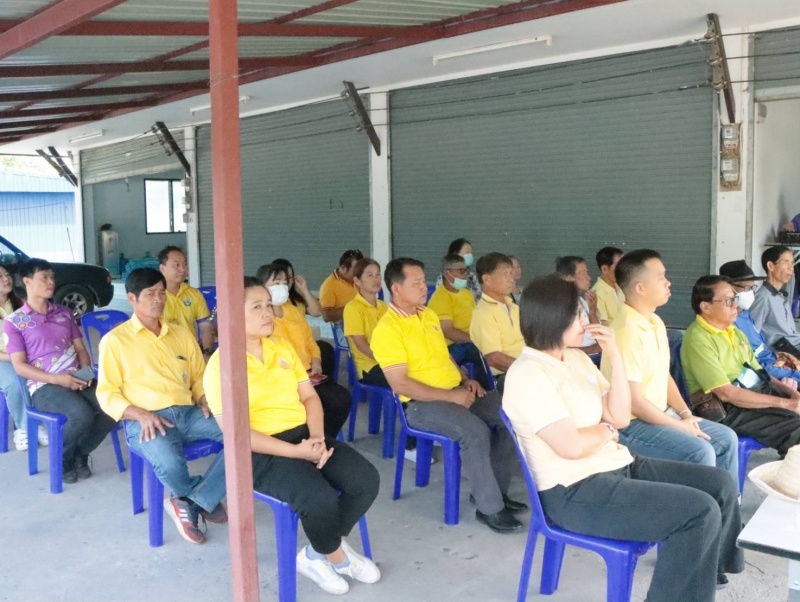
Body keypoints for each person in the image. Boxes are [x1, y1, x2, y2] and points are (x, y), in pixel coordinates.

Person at [503, 276, 744, 601]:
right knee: (698, 512)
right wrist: (605, 432)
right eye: (577, 314)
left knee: (720, 484)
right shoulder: (528, 374)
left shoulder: (575, 358)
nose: (586, 320)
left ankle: (708, 570)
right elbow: (571, 446)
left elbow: (618, 417)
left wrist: (615, 357)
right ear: (553, 317)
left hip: (616, 464)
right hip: (573, 491)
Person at [204, 278, 380, 596]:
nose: (267, 312)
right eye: (256, 307)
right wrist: (299, 452)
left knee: (365, 480)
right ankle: (337, 557)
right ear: (232, 315)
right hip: (261, 451)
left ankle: (316, 553)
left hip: (304, 435)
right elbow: (237, 434)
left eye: (267, 305)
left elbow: (310, 398)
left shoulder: (281, 347)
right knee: (318, 498)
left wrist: (317, 439)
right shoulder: (221, 366)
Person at [371, 257, 527, 533]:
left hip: (456, 391)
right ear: (396, 288)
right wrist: (450, 396)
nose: (424, 286)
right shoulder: (387, 329)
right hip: (422, 405)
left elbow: (444, 357)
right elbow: (401, 385)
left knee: (513, 415)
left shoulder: (427, 315)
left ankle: (491, 492)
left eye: (423, 280)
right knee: (475, 432)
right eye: (416, 282)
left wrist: (465, 380)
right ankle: (489, 508)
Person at [97, 268, 227, 544]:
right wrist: (138, 414)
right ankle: (200, 496)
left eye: (161, 293)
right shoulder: (115, 341)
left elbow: (198, 377)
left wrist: (204, 398)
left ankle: (194, 500)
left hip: (189, 413)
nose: (158, 299)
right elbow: (106, 393)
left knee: (244, 438)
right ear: (132, 298)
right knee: (169, 463)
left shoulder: (181, 334)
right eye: (150, 294)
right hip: (146, 419)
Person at [601, 250, 738, 486]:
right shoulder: (625, 331)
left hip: (658, 414)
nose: (668, 283)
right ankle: (700, 507)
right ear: (640, 288)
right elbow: (634, 403)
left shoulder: (654, 322)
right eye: (661, 277)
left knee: (727, 438)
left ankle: (727, 505)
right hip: (630, 424)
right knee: (699, 451)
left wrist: (686, 414)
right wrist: (679, 426)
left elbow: (663, 376)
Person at [3, 258, 116, 483]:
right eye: (44, 277)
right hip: (44, 386)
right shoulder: (15, 322)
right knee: (81, 415)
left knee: (113, 407)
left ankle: (79, 453)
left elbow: (80, 348)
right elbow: (19, 366)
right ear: (27, 281)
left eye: (52, 277)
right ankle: (63, 457)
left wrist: (86, 372)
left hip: (77, 378)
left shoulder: (64, 313)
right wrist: (59, 380)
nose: (51, 282)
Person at [681, 275, 800, 456]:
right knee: (796, 428)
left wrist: (792, 394)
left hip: (755, 392)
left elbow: (761, 373)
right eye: (729, 301)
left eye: (735, 299)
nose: (736, 306)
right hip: (728, 408)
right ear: (706, 307)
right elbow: (726, 393)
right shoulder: (698, 339)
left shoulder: (734, 331)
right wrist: (786, 404)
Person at [257, 263, 352, 439]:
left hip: (308, 373)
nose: (282, 287)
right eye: (276, 283)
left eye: (284, 283)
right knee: (308, 408)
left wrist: (316, 361)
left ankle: (323, 439)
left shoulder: (292, 310)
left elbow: (309, 340)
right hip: (284, 378)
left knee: (342, 399)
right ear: (262, 287)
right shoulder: (261, 318)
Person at [720, 260, 800, 386]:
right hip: (762, 374)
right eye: (747, 288)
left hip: (772, 362)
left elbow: (761, 346)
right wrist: (792, 374)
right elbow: (753, 364)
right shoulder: (727, 323)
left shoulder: (745, 313)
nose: (751, 293)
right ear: (728, 289)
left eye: (753, 288)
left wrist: (779, 359)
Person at [427, 254, 491, 390]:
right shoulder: (440, 298)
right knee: (482, 353)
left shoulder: (466, 293)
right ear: (447, 274)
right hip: (452, 346)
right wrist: (474, 339)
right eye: (461, 271)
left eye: (466, 270)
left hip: (468, 340)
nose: (465, 275)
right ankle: (489, 390)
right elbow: (448, 331)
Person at [469, 252, 525, 393]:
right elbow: (494, 358)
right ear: (487, 279)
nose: (511, 279)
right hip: (505, 376)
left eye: (511, 274)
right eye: (506, 274)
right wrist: (528, 369)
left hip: (524, 367)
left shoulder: (514, 308)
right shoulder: (483, 314)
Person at [158, 246, 215, 361]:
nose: (183, 269)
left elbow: (206, 327)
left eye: (185, 264)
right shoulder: (155, 296)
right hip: (162, 355)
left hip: (190, 353)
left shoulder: (194, 294)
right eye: (177, 265)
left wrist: (207, 352)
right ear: (162, 268)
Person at [0, 264, 35, 451]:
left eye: (7, 274)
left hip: (23, 355)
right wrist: (13, 357)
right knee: (15, 382)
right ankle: (24, 428)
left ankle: (40, 420)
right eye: (0, 277)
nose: (6, 279)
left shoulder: (20, 303)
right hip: (2, 360)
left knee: (46, 372)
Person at [342, 258, 389, 386]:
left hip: (388, 360)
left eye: (378, 274)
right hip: (369, 366)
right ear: (357, 281)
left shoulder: (384, 307)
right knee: (408, 380)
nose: (376, 279)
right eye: (370, 275)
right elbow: (361, 345)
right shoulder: (353, 308)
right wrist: (386, 360)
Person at [749, 246, 800, 357]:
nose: (791, 268)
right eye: (786, 262)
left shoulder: (781, 296)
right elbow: (751, 335)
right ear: (771, 266)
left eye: (792, 263)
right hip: (785, 354)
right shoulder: (763, 298)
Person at [555, 256, 601, 355]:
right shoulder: (560, 305)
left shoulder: (581, 301)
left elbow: (599, 336)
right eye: (583, 273)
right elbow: (562, 349)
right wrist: (594, 348)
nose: (589, 278)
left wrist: (592, 312)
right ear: (568, 278)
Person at [319, 249, 364, 323]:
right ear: (343, 268)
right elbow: (326, 316)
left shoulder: (358, 279)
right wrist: (352, 308)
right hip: (344, 326)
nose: (359, 274)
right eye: (355, 270)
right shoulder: (328, 286)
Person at [591, 246, 625, 323]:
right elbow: (603, 325)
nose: (623, 270)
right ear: (605, 269)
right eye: (619, 266)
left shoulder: (623, 287)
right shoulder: (596, 294)